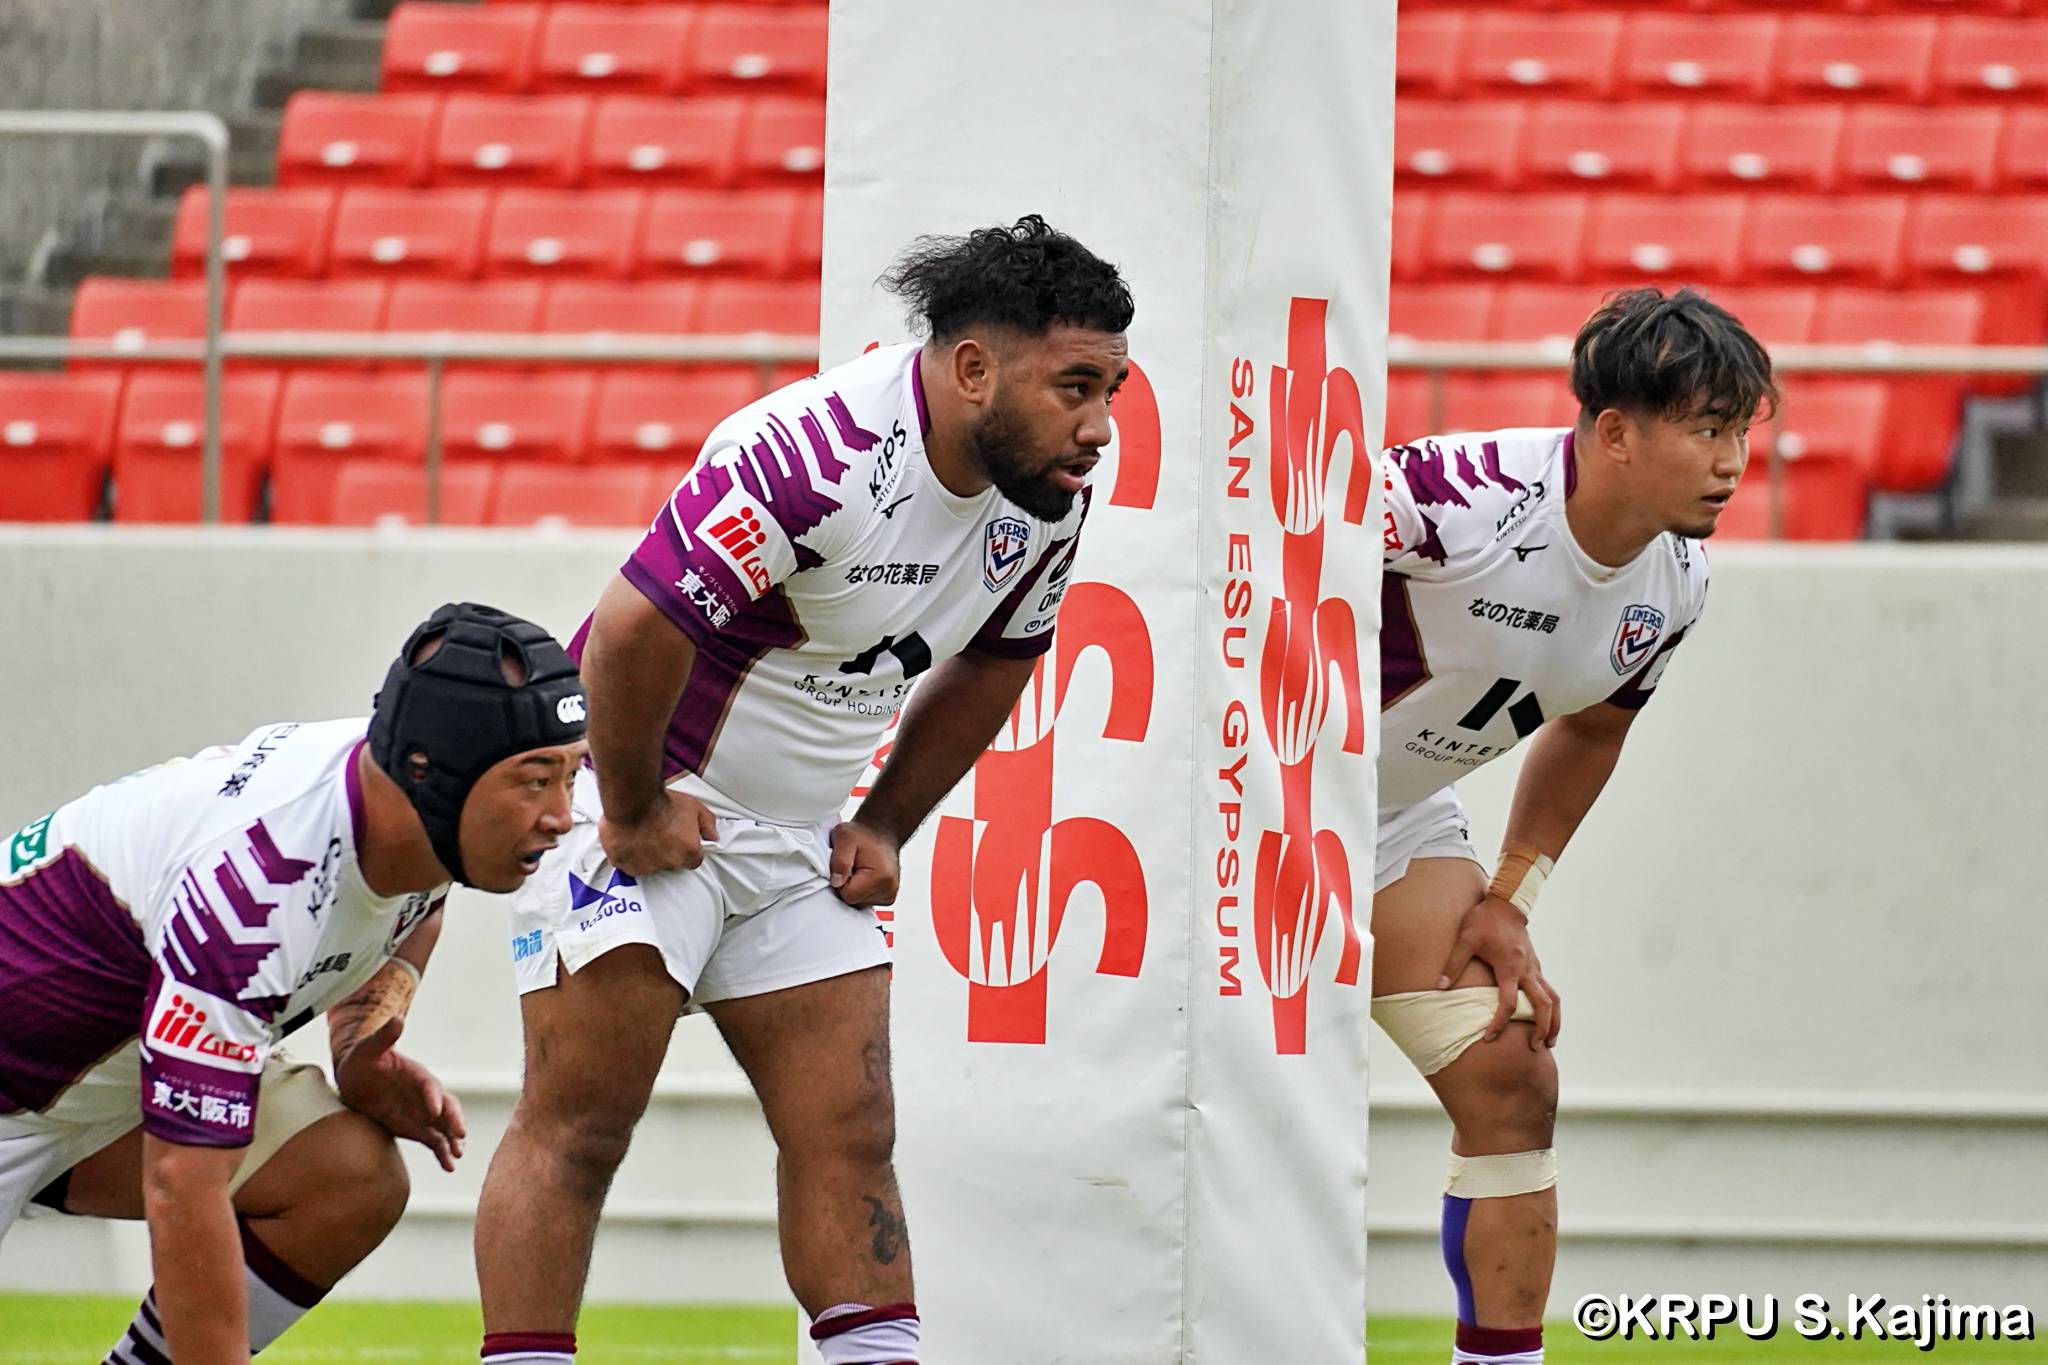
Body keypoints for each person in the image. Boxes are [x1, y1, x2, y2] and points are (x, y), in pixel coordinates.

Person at [473, 215, 1133, 1365]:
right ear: (972, 369)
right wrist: (630, 810)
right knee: (582, 1126)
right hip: (637, 803)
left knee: (851, 1134)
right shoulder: (812, 456)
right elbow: (628, 632)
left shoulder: (1048, 500)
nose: (1099, 425)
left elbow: (998, 661)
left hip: (795, 844)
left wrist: (885, 822)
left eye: (1112, 390)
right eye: (1075, 387)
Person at [0, 602, 587, 1365]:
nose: (562, 816)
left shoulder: (410, 797)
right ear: (427, 771)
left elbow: (417, 898)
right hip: (25, 1090)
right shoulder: (255, 893)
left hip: (88, 1088)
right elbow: (183, 1186)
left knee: (349, 1178)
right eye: (535, 780)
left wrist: (361, 1045)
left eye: (570, 774)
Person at [1370, 287, 1774, 1365]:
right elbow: (1255, 573)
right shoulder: (1449, 496)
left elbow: (1594, 729)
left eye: (1740, 431)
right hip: (1251, 801)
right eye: (1707, 429)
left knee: (1511, 1078)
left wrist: (1509, 897)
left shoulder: (1677, 582)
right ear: (1615, 432)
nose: (1733, 461)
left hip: (1389, 821)